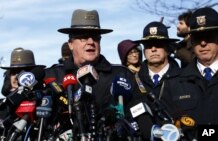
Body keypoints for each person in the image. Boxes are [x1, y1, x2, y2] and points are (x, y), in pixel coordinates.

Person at [45, 9, 140, 140]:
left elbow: (138, 115)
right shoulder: (53, 75)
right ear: (71, 44)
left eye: (95, 37)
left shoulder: (121, 74)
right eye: (84, 37)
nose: (90, 42)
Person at [161, 7, 218, 140]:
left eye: (209, 37)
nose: (203, 43)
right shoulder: (174, 83)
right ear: (191, 41)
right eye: (198, 38)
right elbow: (165, 127)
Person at [133, 21, 181, 99]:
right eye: (148, 45)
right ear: (144, 51)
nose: (153, 49)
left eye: (158, 44)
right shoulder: (133, 81)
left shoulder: (185, 78)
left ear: (168, 49)